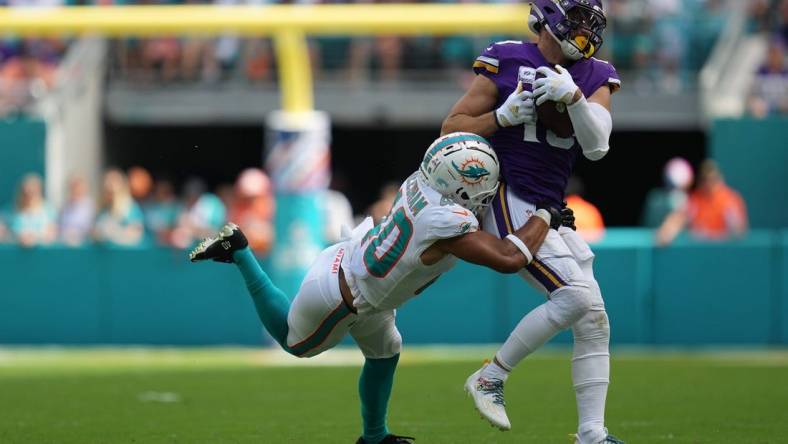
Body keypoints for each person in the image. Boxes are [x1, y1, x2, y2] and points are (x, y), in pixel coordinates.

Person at [190, 132, 574, 444]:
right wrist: (544, 214)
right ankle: (240, 250)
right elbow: (509, 258)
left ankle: (374, 438)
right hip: (345, 294)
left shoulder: (423, 183)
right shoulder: (446, 220)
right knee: (294, 343)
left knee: (386, 353)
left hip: (363, 277)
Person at [440, 1, 622, 442]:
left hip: (548, 206)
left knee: (594, 318)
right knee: (576, 298)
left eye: (590, 21)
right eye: (577, 17)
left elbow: (597, 145)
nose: (585, 30)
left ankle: (592, 435)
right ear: (550, 14)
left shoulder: (595, 74)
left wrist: (575, 98)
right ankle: (492, 375)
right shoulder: (507, 56)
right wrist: (499, 117)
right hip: (509, 194)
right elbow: (450, 129)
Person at [655, 159, 747, 246]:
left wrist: (734, 225)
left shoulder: (730, 199)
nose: (709, 183)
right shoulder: (695, 200)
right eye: (705, 179)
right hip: (700, 253)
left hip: (723, 252)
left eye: (713, 179)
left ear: (720, 179)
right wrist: (666, 232)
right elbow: (677, 219)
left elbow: (740, 232)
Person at [10, 173, 57, 247]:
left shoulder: (48, 209)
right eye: (27, 192)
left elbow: (52, 232)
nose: (30, 194)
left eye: (33, 191)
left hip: (43, 253)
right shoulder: (16, 210)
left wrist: (35, 238)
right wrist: (22, 237)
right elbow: (12, 231)